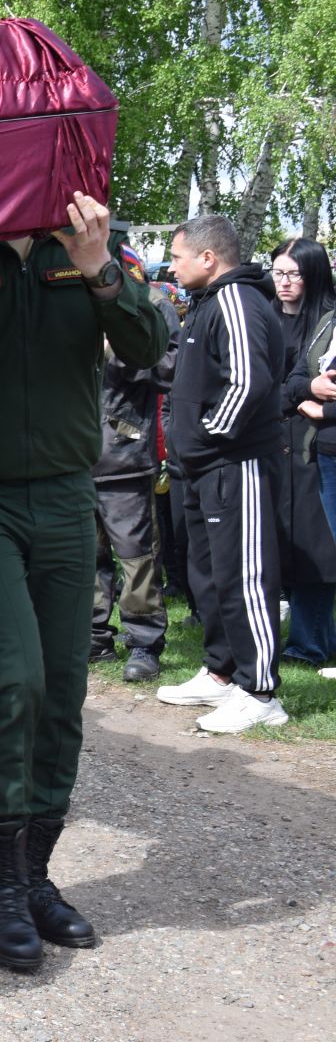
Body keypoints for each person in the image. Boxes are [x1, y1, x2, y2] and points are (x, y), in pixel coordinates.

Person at [0, 205, 165, 977]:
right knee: (13, 681)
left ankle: (33, 875)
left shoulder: (89, 244)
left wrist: (101, 269)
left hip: (66, 495)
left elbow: (150, 346)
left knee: (62, 690)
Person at [158, 214, 289, 732]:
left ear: (208, 258)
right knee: (208, 573)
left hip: (236, 463)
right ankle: (222, 673)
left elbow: (248, 380)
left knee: (246, 575)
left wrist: (210, 436)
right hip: (202, 467)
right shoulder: (207, 303)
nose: (172, 266)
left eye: (178, 256)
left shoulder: (236, 300)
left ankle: (261, 692)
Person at [92, 285, 181, 681]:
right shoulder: (63, 290)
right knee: (82, 557)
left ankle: (144, 642)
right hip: (69, 453)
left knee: (136, 555)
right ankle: (92, 637)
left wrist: (120, 349)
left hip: (123, 452)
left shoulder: (153, 302)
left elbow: (170, 365)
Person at [270, 239, 336, 665]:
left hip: (315, 446)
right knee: (286, 542)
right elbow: (278, 388)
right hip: (277, 442)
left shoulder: (324, 322)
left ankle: (310, 642)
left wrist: (312, 401)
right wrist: (302, 394)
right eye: (278, 272)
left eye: (294, 273)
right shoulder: (265, 317)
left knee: (317, 548)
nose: (285, 282)